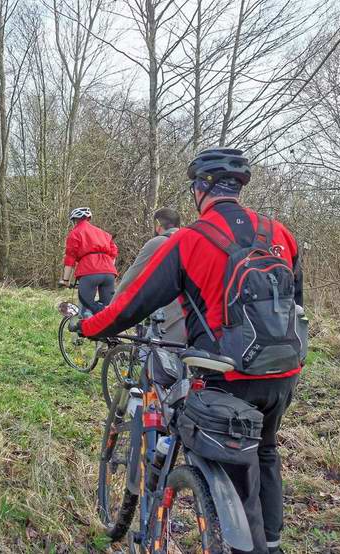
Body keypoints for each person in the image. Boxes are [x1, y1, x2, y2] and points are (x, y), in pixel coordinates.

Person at [79, 148, 302, 554]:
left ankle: (240, 543)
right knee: (265, 449)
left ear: (201, 188)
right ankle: (272, 541)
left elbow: (131, 306)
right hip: (283, 374)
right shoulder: (280, 234)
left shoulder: (190, 240)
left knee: (229, 464)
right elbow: (296, 304)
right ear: (238, 187)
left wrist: (88, 325)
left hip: (224, 376)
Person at [113, 207, 185, 344]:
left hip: (170, 312)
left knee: (149, 357)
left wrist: (112, 306)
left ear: (158, 225)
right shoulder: (193, 240)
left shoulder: (158, 242)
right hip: (199, 312)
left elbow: (131, 277)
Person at [58, 207, 118, 316]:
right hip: (109, 273)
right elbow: (113, 253)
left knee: (86, 308)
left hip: (89, 271)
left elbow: (70, 258)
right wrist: (107, 269)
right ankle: (106, 330)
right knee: (108, 309)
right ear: (88, 218)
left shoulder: (75, 233)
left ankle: (86, 326)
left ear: (75, 220)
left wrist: (65, 280)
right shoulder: (104, 233)